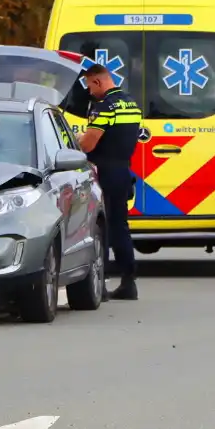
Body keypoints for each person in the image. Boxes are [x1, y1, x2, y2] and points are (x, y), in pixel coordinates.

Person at [76, 63, 143, 301]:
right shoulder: (131, 104)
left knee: (100, 228)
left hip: (103, 172)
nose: (89, 92)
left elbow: (87, 145)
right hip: (123, 170)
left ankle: (99, 285)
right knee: (119, 226)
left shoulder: (104, 107)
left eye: (89, 86)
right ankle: (128, 281)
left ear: (97, 81)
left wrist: (77, 139)